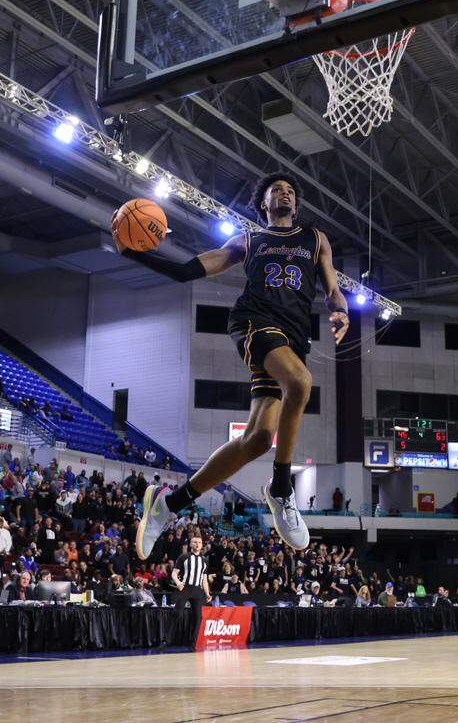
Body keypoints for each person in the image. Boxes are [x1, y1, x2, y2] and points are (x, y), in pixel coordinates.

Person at [129, 173, 349, 560]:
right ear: (263, 204)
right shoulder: (248, 241)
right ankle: (281, 488)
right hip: (253, 322)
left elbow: (332, 290)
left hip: (293, 338)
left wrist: (341, 310)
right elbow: (186, 270)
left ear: (296, 205)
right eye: (277, 190)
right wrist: (135, 251)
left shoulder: (315, 239)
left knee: (259, 440)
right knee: (300, 383)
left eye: (291, 191)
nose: (285, 193)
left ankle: (167, 505)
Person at [172, 534, 210, 608]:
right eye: (195, 542)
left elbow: (204, 579)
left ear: (202, 545)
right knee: (178, 613)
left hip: (197, 590)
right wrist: (178, 583)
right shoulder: (184, 557)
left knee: (197, 616)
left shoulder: (205, 560)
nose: (197, 544)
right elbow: (174, 573)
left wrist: (207, 593)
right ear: (190, 544)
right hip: (185, 588)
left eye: (199, 542)